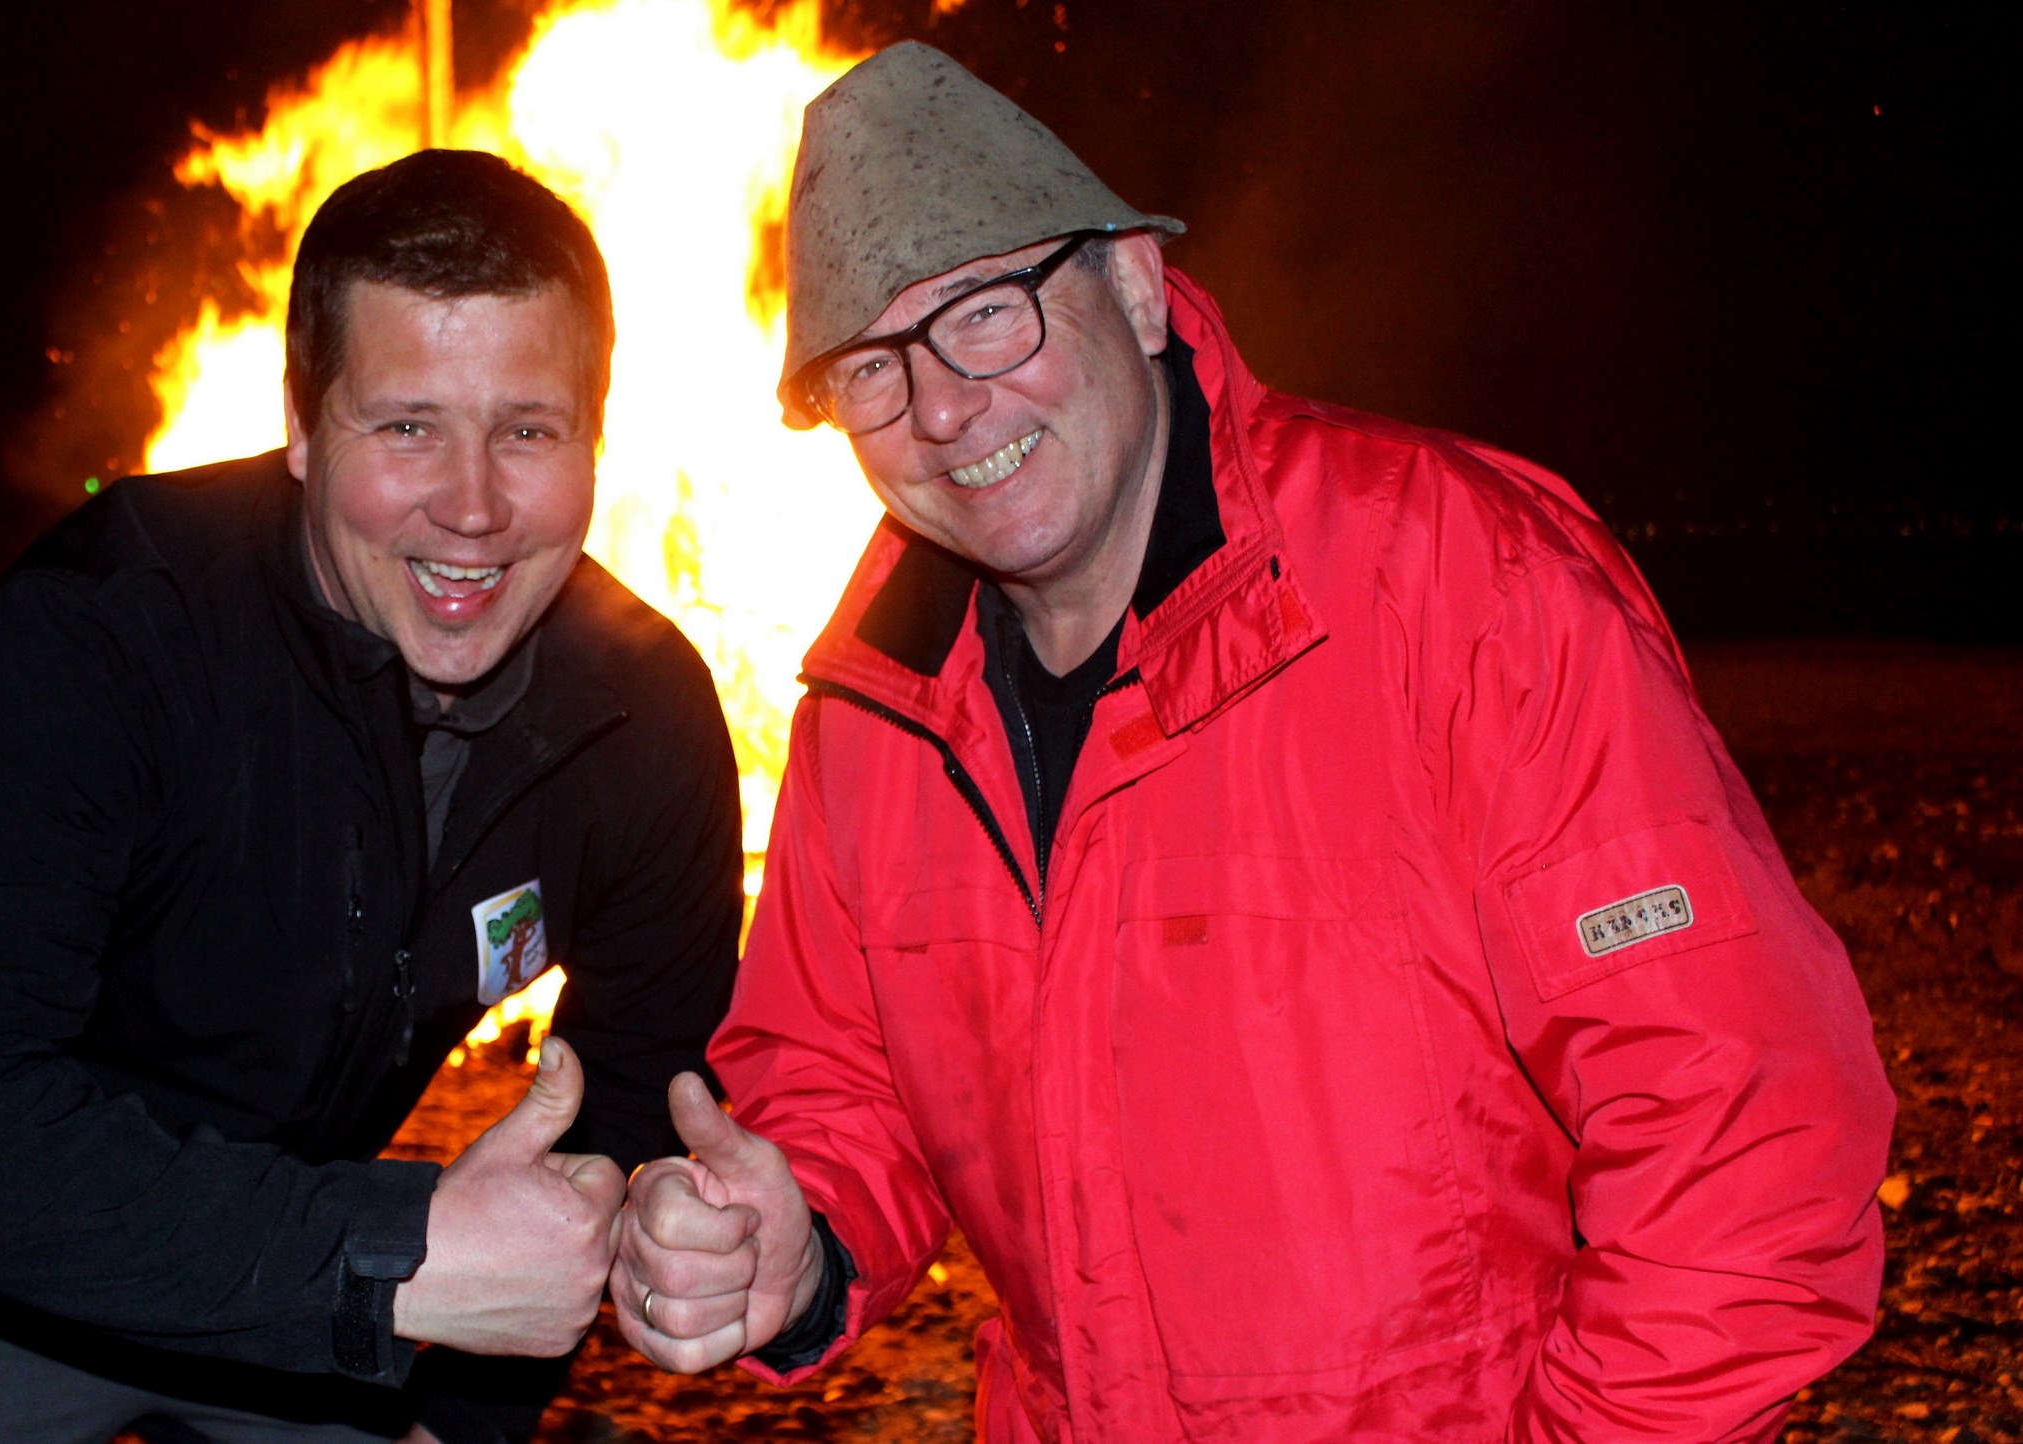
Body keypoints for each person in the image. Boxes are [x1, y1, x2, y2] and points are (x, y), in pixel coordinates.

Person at [612, 41, 1894, 1442]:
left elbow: (1739, 1138)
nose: (942, 407)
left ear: (1135, 285)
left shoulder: (1456, 586)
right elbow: (837, 1080)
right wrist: (794, 1239)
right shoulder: (879, 707)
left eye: (987, 313)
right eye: (872, 367)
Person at [0, 150, 744, 1444]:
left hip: (302, 1270)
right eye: (407, 426)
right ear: (304, 427)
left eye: (528, 431)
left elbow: (635, 1079)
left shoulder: (639, 718)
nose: (474, 506)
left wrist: (460, 1411)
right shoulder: (109, 628)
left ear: (595, 436)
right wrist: (379, 1260)